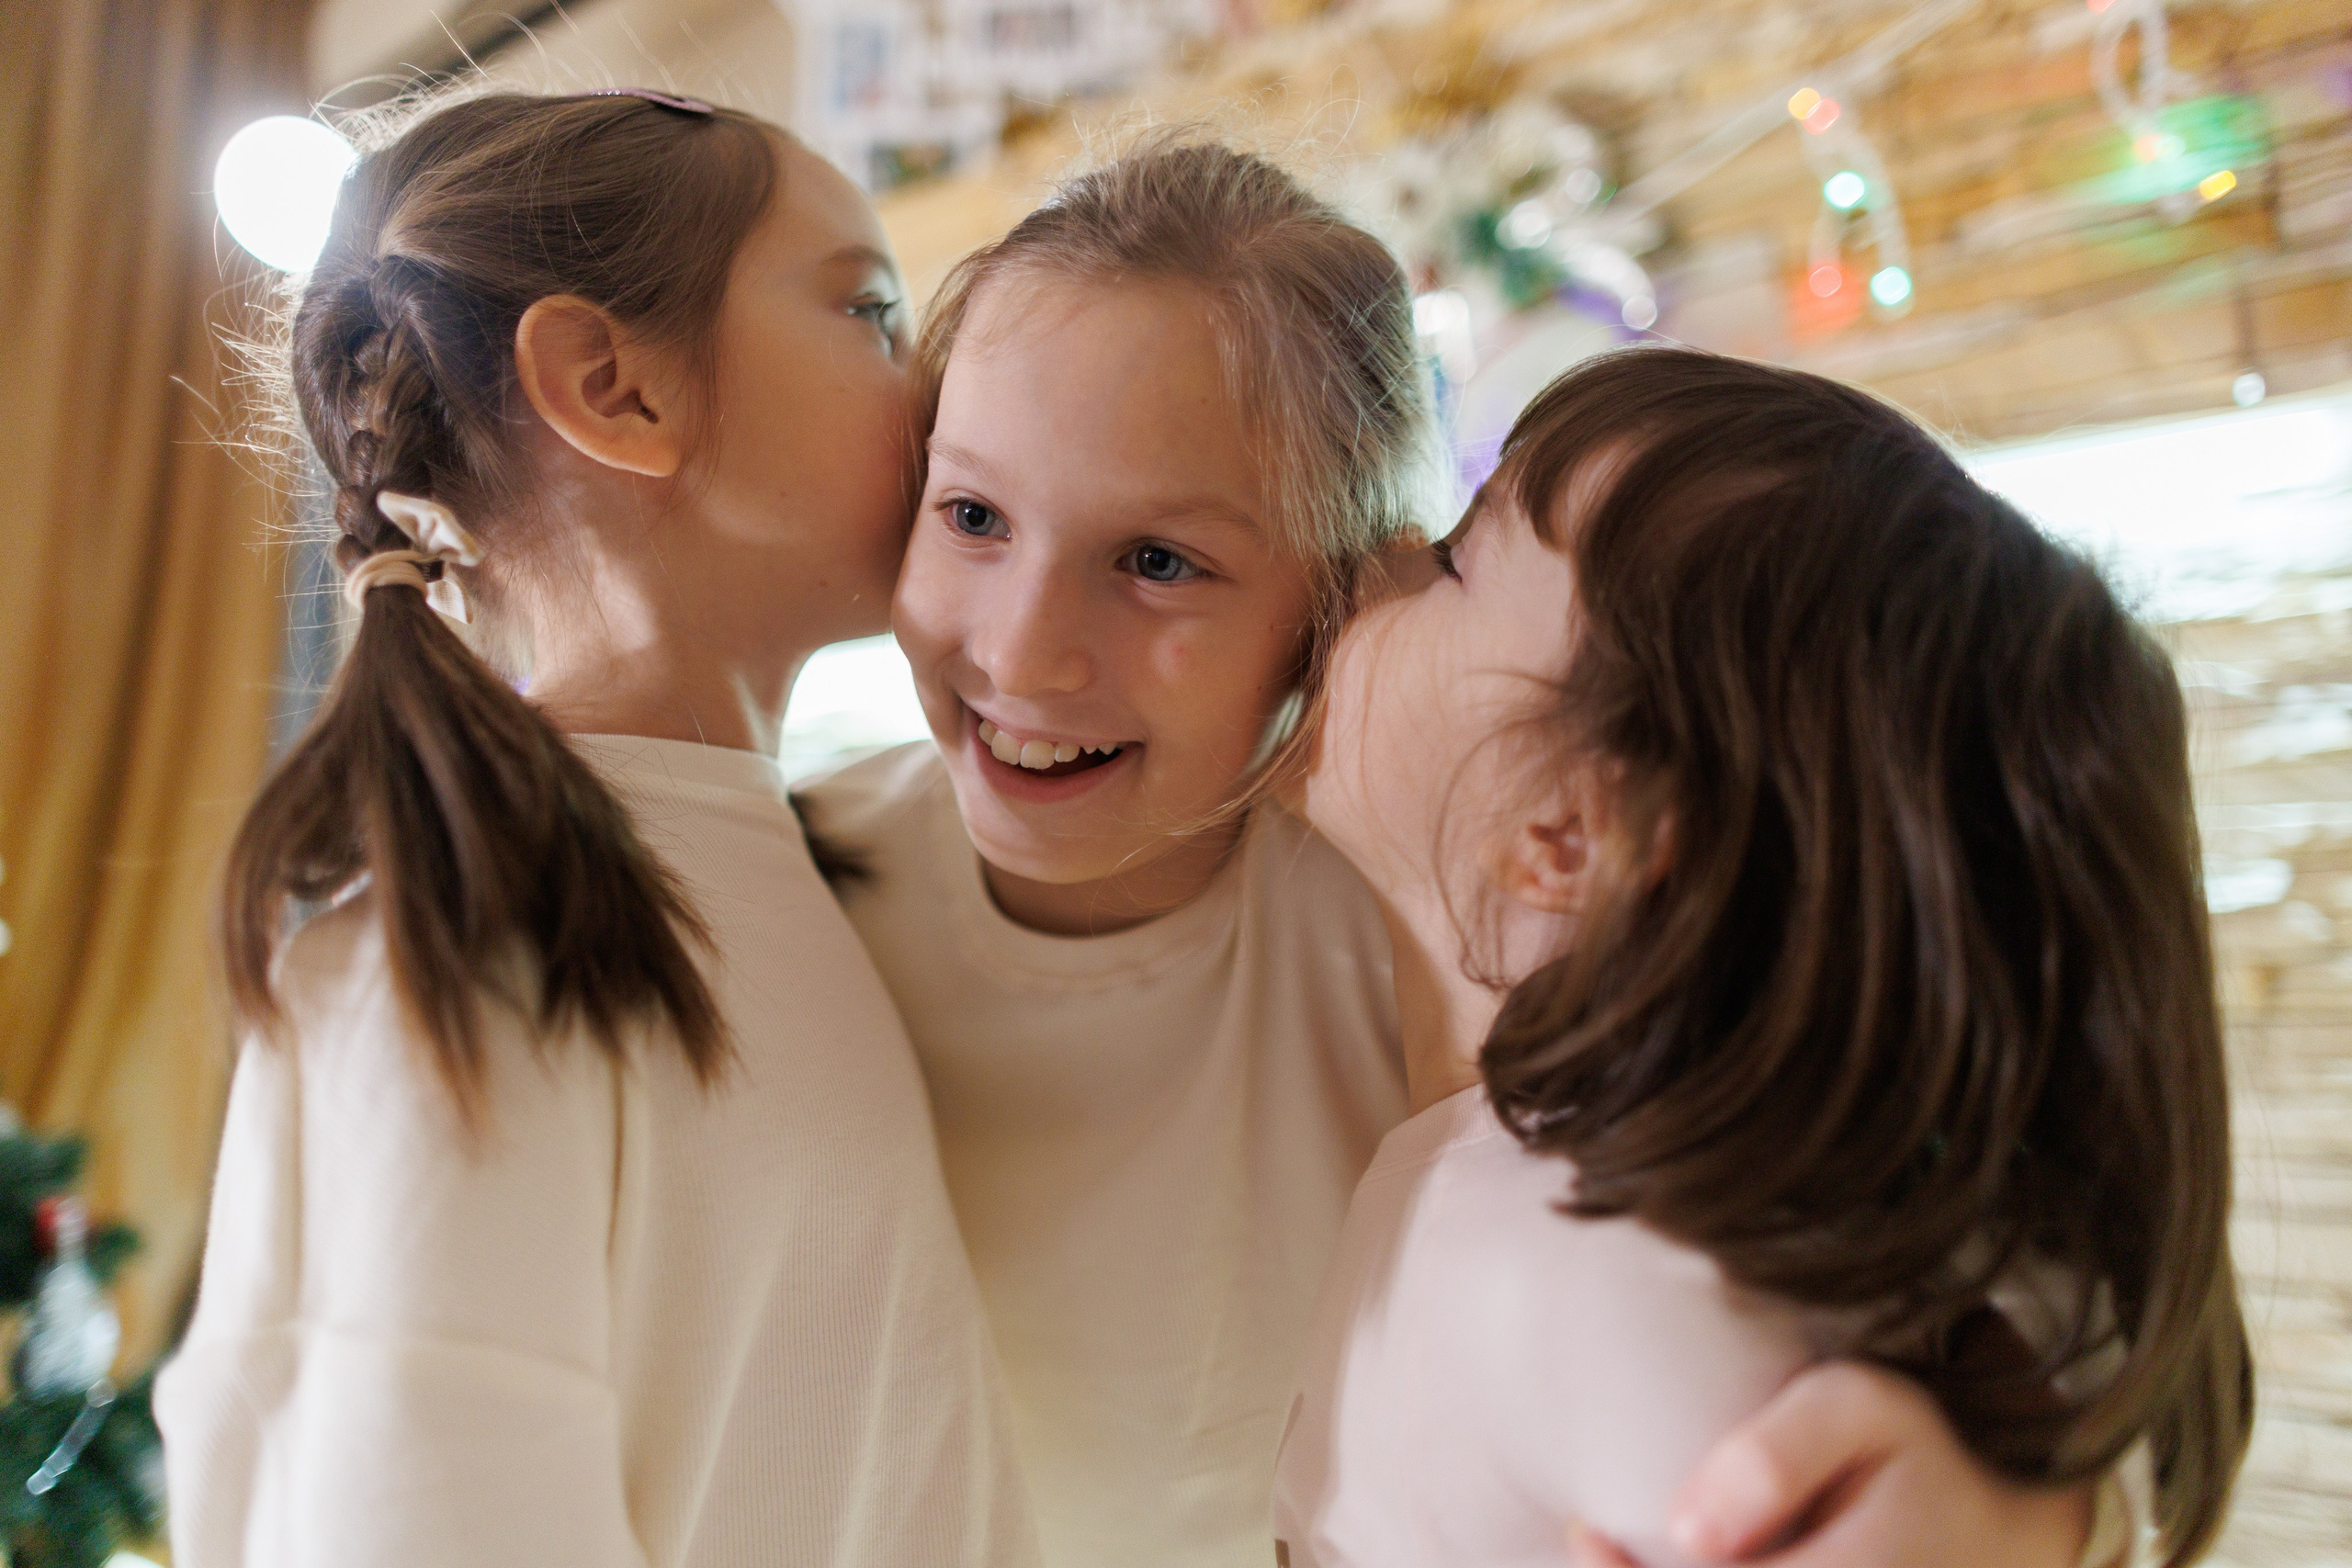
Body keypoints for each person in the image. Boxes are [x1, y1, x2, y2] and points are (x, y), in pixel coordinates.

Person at [801, 138, 2137, 1568]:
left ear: (1336, 596)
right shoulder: (795, 885)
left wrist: (2046, 1504)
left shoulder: (1464, 910)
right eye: (973, 516)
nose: (1021, 653)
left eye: (1159, 562)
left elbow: (1930, 1157)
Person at [156, 89, 1035, 1568]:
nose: (941, 395)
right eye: (869, 312)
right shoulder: (458, 961)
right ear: (614, 389)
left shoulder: (795, 870)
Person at [1273, 345, 2253, 1568]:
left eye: (1455, 559)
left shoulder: (1609, 1286)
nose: (1376, 556)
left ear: (1575, 833)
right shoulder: (1612, 1228)